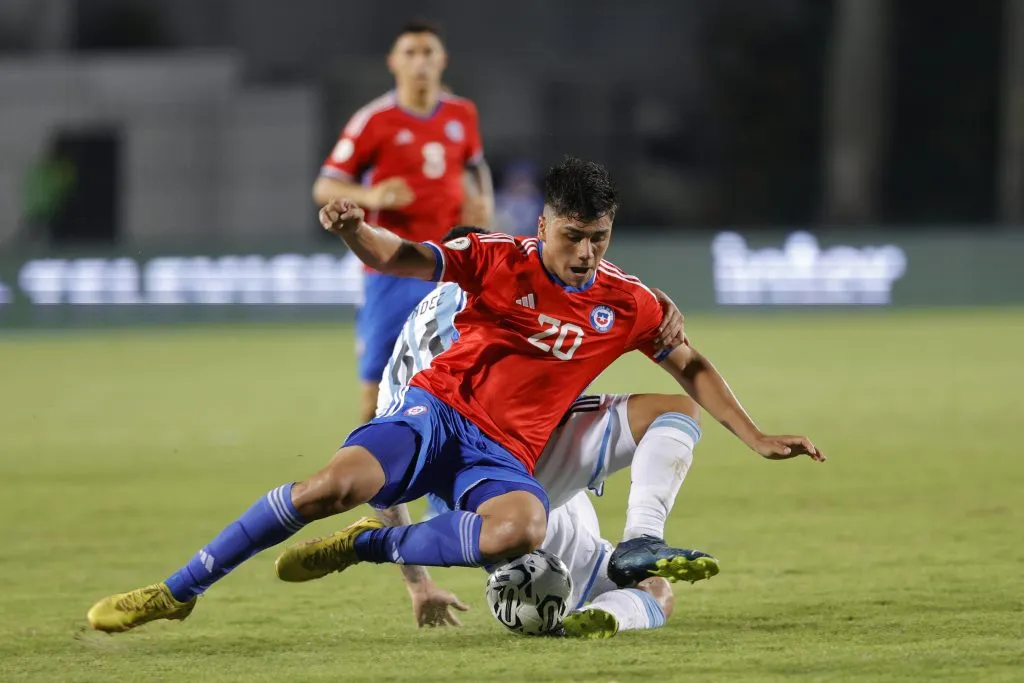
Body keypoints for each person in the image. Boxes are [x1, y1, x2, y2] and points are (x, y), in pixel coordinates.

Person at [86, 157, 821, 635]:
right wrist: (355, 231)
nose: (587, 251)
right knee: (325, 488)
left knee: (520, 530)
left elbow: (688, 363)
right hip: (433, 417)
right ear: (542, 227)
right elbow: (400, 255)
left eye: (599, 236)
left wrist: (755, 436)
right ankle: (177, 589)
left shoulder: (627, 302)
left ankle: (371, 547)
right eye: (573, 236)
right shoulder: (494, 257)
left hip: (504, 454)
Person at [371, 227, 820, 638]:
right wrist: (651, 301)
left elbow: (384, 483)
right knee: (657, 579)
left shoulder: (410, 343)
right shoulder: (498, 288)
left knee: (570, 569)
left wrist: (419, 584)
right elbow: (575, 290)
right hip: (511, 465)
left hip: (476, 511)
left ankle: (586, 604)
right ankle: (636, 550)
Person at [313, 19, 494, 422]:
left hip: (450, 267)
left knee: (461, 388)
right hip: (390, 269)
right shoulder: (374, 121)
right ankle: (372, 479)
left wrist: (482, 202)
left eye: (428, 53)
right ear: (393, 62)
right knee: (373, 396)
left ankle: (449, 476)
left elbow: (476, 167)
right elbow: (324, 186)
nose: (420, 63)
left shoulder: (462, 114)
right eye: (410, 54)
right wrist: (370, 196)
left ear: (442, 60)